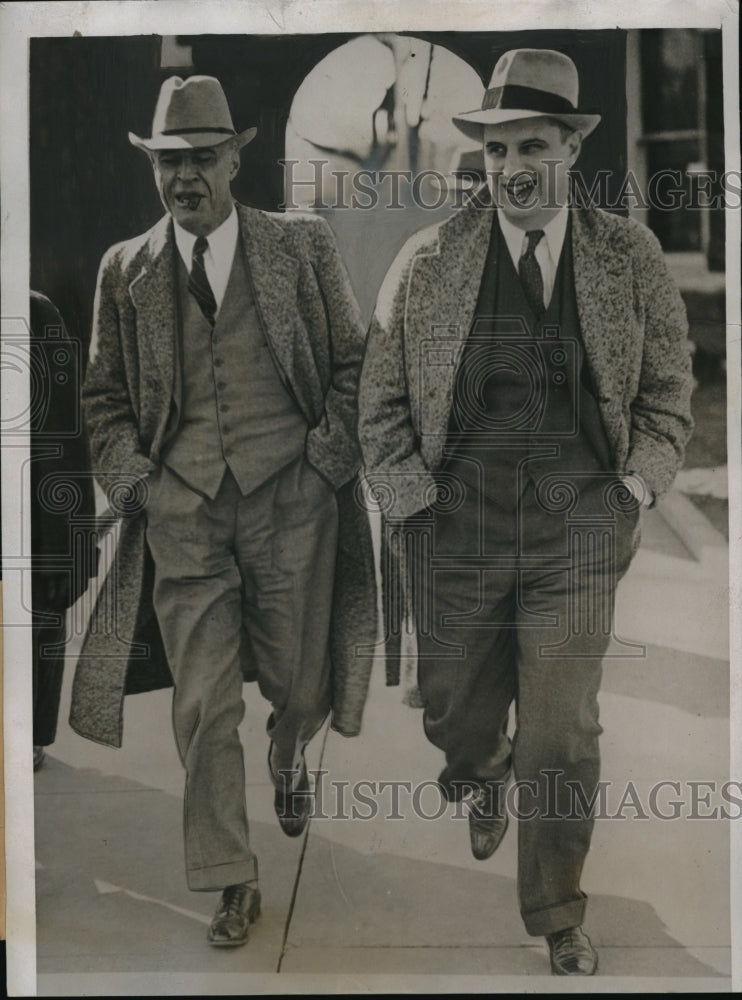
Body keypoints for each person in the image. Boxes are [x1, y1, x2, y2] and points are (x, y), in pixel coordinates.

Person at [358, 49, 693, 976]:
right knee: (455, 713)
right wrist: (410, 504)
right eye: (498, 148)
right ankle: (477, 774)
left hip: (575, 533)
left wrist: (635, 489)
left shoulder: (631, 256)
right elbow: (379, 405)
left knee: (562, 729)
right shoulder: (429, 261)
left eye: (532, 145)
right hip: (452, 529)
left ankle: (557, 910)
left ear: (571, 149)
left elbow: (670, 395)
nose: (512, 167)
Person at [70, 75, 375, 948]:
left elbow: (356, 364)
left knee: (300, 684)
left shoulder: (301, 249)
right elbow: (103, 401)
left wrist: (321, 469)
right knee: (203, 706)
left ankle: (289, 756)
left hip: (295, 508)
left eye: (202, 158)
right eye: (168, 162)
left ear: (238, 158)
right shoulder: (125, 269)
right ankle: (230, 879)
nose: (183, 177)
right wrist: (144, 488)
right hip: (185, 519)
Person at [30, 291, 97, 771]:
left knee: (39, 611)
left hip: (34, 511)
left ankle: (31, 733)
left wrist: (72, 544)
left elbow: (68, 436)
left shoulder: (35, 314)